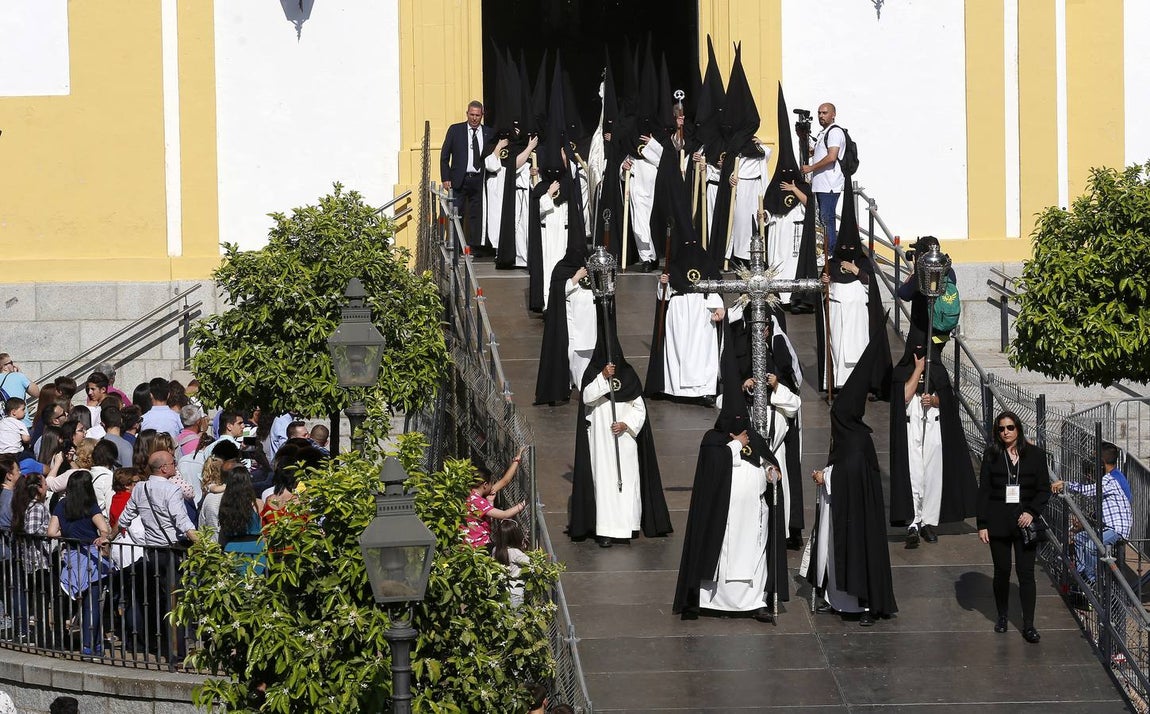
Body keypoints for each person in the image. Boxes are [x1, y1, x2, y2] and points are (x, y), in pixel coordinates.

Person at [673, 337, 782, 623]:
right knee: (723, 555)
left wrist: (771, 473)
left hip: (752, 516)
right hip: (725, 516)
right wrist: (733, 445)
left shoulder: (753, 438)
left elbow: (767, 461)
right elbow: (715, 465)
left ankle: (754, 601)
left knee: (753, 557)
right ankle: (715, 602)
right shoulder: (713, 441)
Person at [804, 331, 898, 626]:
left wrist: (825, 476)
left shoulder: (856, 442)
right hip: (843, 511)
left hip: (856, 518)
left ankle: (864, 604)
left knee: (858, 554)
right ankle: (837, 598)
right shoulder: (851, 437)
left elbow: (849, 472)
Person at [567, 304, 672, 547]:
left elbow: (639, 407)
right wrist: (603, 378)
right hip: (601, 441)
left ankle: (626, 526)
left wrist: (626, 424)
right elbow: (587, 397)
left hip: (624, 440)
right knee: (603, 484)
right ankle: (605, 530)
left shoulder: (629, 375)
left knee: (627, 482)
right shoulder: (593, 373)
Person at [977, 411, 1051, 644]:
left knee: (1026, 573)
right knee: (1001, 571)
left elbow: (1043, 489)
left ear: (1018, 428)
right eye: (1001, 429)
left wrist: (1032, 512)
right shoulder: (991, 455)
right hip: (998, 521)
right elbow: (984, 492)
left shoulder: (1036, 455)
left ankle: (1029, 625)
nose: (1006, 432)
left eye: (1010, 427)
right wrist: (982, 524)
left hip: (1024, 522)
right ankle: (1002, 615)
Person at [47, 470, 113, 656]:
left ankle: (92, 644)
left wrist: (68, 534)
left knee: (82, 602)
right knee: (94, 603)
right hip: (91, 557)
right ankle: (91, 644)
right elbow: (104, 529)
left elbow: (51, 532)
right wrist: (101, 539)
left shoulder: (62, 505)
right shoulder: (90, 505)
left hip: (71, 558)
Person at [1052, 460, 1133, 589]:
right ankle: (1081, 572)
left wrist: (1066, 485)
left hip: (1117, 529)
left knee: (1091, 546)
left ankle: (1091, 580)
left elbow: (1088, 490)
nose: (1088, 477)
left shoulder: (1108, 480)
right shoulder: (1104, 480)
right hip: (1106, 528)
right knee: (1079, 538)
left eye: (1089, 474)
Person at [441, 100, 495, 254]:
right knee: (457, 213)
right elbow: (445, 156)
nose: (474, 118)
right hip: (459, 179)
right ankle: (457, 247)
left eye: (477, 115)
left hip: (480, 179)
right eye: (471, 114)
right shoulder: (455, 130)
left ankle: (473, 247)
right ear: (467, 114)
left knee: (476, 215)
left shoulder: (489, 133)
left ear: (482, 115)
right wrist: (445, 178)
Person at [800, 103, 846, 254]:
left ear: (833, 114)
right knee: (823, 218)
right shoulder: (823, 133)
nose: (821, 116)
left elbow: (832, 157)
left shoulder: (834, 132)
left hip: (829, 185)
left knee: (827, 220)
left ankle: (830, 253)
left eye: (825, 113)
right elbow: (817, 153)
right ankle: (828, 252)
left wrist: (811, 168)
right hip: (821, 185)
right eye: (819, 113)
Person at [463, 449, 527, 549]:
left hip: (469, 544)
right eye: (491, 483)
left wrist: (490, 501)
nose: (493, 486)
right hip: (478, 546)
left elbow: (505, 481)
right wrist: (525, 503)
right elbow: (504, 514)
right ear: (485, 485)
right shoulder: (478, 501)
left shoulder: (470, 494)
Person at [492, 517, 530, 607]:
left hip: (501, 589)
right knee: (517, 618)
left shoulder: (495, 550)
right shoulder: (516, 553)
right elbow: (530, 562)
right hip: (516, 591)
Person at [0, 354, 41, 428]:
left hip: (3, 425)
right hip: (22, 424)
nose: (13, 365)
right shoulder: (18, 376)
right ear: (4, 367)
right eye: (11, 362)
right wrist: (21, 374)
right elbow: (36, 393)